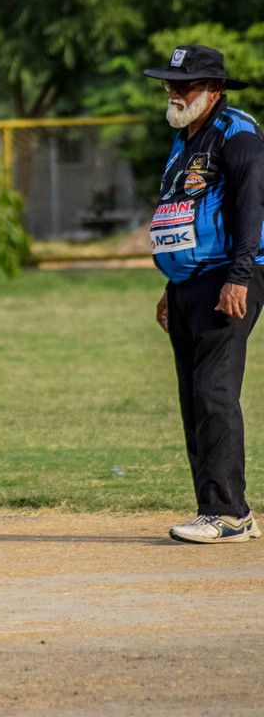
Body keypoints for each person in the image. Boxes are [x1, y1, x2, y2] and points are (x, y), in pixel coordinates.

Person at [145, 44, 264, 543]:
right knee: (196, 399)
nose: (174, 92)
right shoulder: (184, 138)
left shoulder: (238, 132)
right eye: (170, 83)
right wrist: (171, 285)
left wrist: (239, 275)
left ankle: (226, 514)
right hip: (190, 284)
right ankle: (221, 509)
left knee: (214, 392)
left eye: (186, 84)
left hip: (228, 278)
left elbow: (252, 205)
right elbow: (184, 213)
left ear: (214, 89)